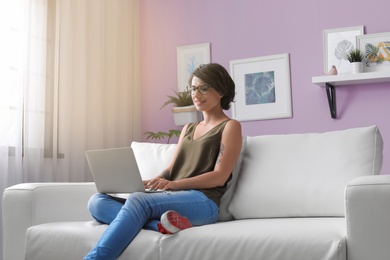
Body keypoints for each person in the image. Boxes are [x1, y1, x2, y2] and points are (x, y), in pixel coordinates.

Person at [84, 63, 242, 260]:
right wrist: (151, 182)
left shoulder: (230, 126)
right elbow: (171, 169)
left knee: (138, 202)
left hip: (204, 201)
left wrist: (175, 184)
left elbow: (219, 177)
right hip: (173, 195)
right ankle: (162, 225)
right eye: (193, 88)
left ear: (221, 91)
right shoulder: (188, 128)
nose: (196, 94)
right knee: (97, 201)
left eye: (204, 88)